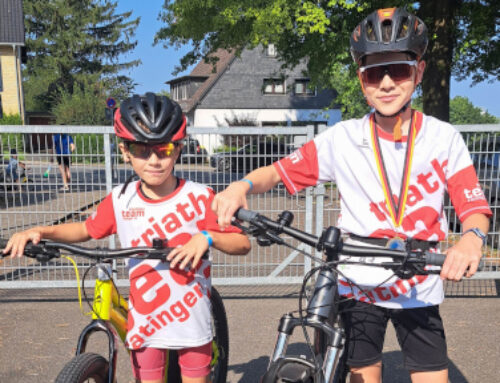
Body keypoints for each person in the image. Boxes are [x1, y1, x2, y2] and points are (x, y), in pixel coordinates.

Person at [212, 7, 491, 383]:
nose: (388, 83)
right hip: (358, 281)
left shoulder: (444, 138)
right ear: (362, 81)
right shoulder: (342, 139)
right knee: (361, 375)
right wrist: (240, 186)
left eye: (400, 70)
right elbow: (275, 172)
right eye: (375, 72)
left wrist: (472, 241)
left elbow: (472, 204)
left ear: (419, 72)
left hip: (419, 281)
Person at [4, 92, 251, 383]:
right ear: (125, 151)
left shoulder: (200, 196)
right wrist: (42, 231)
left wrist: (207, 238)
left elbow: (242, 244)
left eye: (165, 149)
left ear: (179, 149)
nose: (155, 160)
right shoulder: (121, 200)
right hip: (147, 322)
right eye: (142, 150)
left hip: (191, 322)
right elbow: (86, 229)